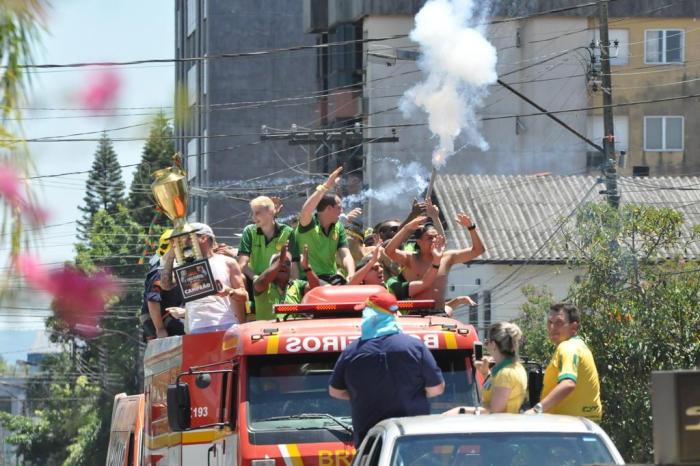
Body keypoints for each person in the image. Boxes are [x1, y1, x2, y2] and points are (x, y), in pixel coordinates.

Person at [329, 291, 445, 446]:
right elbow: (437, 388)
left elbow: (335, 391)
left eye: (366, 312)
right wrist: (411, 394)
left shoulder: (351, 351)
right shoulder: (415, 347)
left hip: (370, 447)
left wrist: (363, 395)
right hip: (413, 443)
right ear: (393, 315)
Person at [161, 223, 248, 334]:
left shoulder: (227, 262)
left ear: (203, 238)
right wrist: (171, 255)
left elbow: (243, 295)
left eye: (189, 238)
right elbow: (166, 285)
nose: (184, 242)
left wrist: (228, 291)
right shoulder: (185, 266)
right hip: (196, 328)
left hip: (225, 325)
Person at [385, 213, 484, 308]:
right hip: (416, 314)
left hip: (440, 312)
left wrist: (471, 227)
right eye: (429, 238)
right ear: (419, 242)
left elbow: (478, 250)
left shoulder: (447, 257)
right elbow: (389, 251)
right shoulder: (411, 258)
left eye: (436, 237)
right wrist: (406, 228)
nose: (434, 240)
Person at [525, 303, 602, 422]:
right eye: (550, 322)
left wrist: (536, 410)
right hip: (585, 425)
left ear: (573, 327)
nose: (552, 327)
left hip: (568, 427)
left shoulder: (567, 348)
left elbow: (568, 383)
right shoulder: (579, 346)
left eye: (559, 323)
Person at [445, 322, 527, 415]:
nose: (486, 345)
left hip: (501, 427)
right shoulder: (514, 368)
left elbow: (494, 411)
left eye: (486, 341)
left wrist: (461, 410)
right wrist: (485, 373)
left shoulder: (506, 374)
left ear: (493, 344)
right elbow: (492, 393)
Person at [294, 166, 355, 283]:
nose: (342, 212)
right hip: (309, 280)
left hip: (332, 278)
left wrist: (351, 274)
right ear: (328, 208)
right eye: (339, 208)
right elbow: (305, 210)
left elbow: (346, 255)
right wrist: (326, 186)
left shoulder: (338, 227)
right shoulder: (309, 224)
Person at [237, 196, 293, 316]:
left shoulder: (288, 232)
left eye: (257, 213)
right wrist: (257, 278)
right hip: (256, 283)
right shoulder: (249, 231)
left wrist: (291, 289)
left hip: (280, 283)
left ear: (271, 212)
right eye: (253, 213)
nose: (253, 217)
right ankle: (244, 317)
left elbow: (294, 265)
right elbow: (242, 265)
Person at [350, 237, 445, 303]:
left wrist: (436, 260)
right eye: (374, 268)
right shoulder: (356, 291)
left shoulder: (392, 287)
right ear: (363, 276)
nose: (380, 270)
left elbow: (424, 283)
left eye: (380, 266)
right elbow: (350, 286)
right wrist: (371, 262)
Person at [252, 244, 320, 319]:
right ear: (271, 267)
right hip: (267, 329)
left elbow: (316, 290)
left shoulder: (297, 285)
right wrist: (279, 262)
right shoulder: (263, 283)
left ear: (291, 270)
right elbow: (260, 283)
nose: (283, 265)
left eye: (287, 263)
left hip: (291, 329)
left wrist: (307, 268)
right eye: (277, 262)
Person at [140, 229, 186, 340]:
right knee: (182, 330)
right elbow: (152, 301)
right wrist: (160, 329)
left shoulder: (183, 267)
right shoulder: (159, 271)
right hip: (158, 319)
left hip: (177, 312)